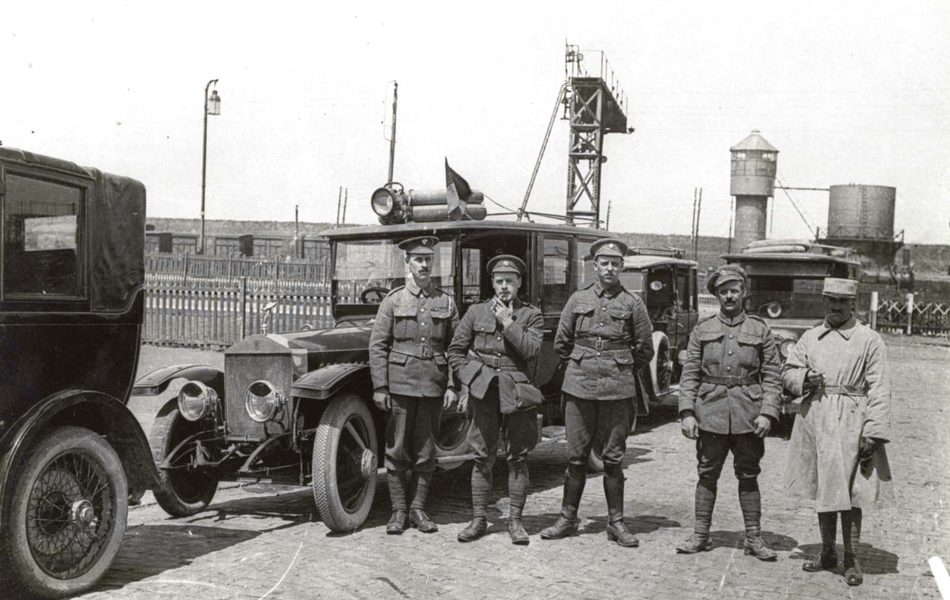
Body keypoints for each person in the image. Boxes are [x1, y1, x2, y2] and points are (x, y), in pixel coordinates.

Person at [540, 237, 654, 547]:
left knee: (613, 458)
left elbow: (645, 349)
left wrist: (620, 364)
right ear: (595, 266)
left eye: (615, 263)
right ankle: (567, 518)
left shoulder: (633, 304)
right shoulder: (577, 299)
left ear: (621, 267)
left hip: (617, 388)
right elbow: (562, 343)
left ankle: (616, 523)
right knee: (576, 457)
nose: (609, 268)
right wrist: (583, 363)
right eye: (604, 263)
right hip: (579, 387)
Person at [783, 277, 891, 587]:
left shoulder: (869, 340)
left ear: (854, 303)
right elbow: (788, 370)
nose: (835, 306)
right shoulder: (811, 337)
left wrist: (873, 430)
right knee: (823, 487)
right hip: (816, 417)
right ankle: (828, 552)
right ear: (824, 301)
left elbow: (880, 388)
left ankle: (852, 558)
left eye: (842, 301)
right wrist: (804, 377)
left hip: (851, 421)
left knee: (851, 491)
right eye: (830, 299)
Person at [675, 264, 781, 560]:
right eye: (724, 291)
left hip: (749, 414)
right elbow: (690, 375)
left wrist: (767, 413)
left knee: (749, 475)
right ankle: (700, 534)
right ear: (717, 295)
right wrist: (687, 413)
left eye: (734, 290)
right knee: (707, 473)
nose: (729, 296)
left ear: (744, 293)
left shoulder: (760, 330)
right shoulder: (703, 329)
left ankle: (754, 538)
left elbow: (772, 375)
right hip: (710, 413)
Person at [447, 254, 543, 545]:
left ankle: (515, 522)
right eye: (499, 282)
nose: (504, 287)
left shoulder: (531, 315)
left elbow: (531, 350)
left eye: (510, 282)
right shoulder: (476, 312)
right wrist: (471, 378)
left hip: (516, 393)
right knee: (481, 457)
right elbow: (455, 351)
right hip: (484, 392)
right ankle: (478, 520)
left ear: (519, 284)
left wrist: (508, 322)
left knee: (517, 458)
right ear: (492, 283)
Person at [369, 235, 459, 535]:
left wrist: (453, 386)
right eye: (418, 259)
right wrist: (380, 387)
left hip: (433, 384)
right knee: (396, 451)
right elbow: (378, 346)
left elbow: (456, 347)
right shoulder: (393, 301)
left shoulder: (445, 302)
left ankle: (418, 510)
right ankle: (397, 512)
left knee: (425, 451)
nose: (424, 264)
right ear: (407, 263)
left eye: (428, 259)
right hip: (400, 385)